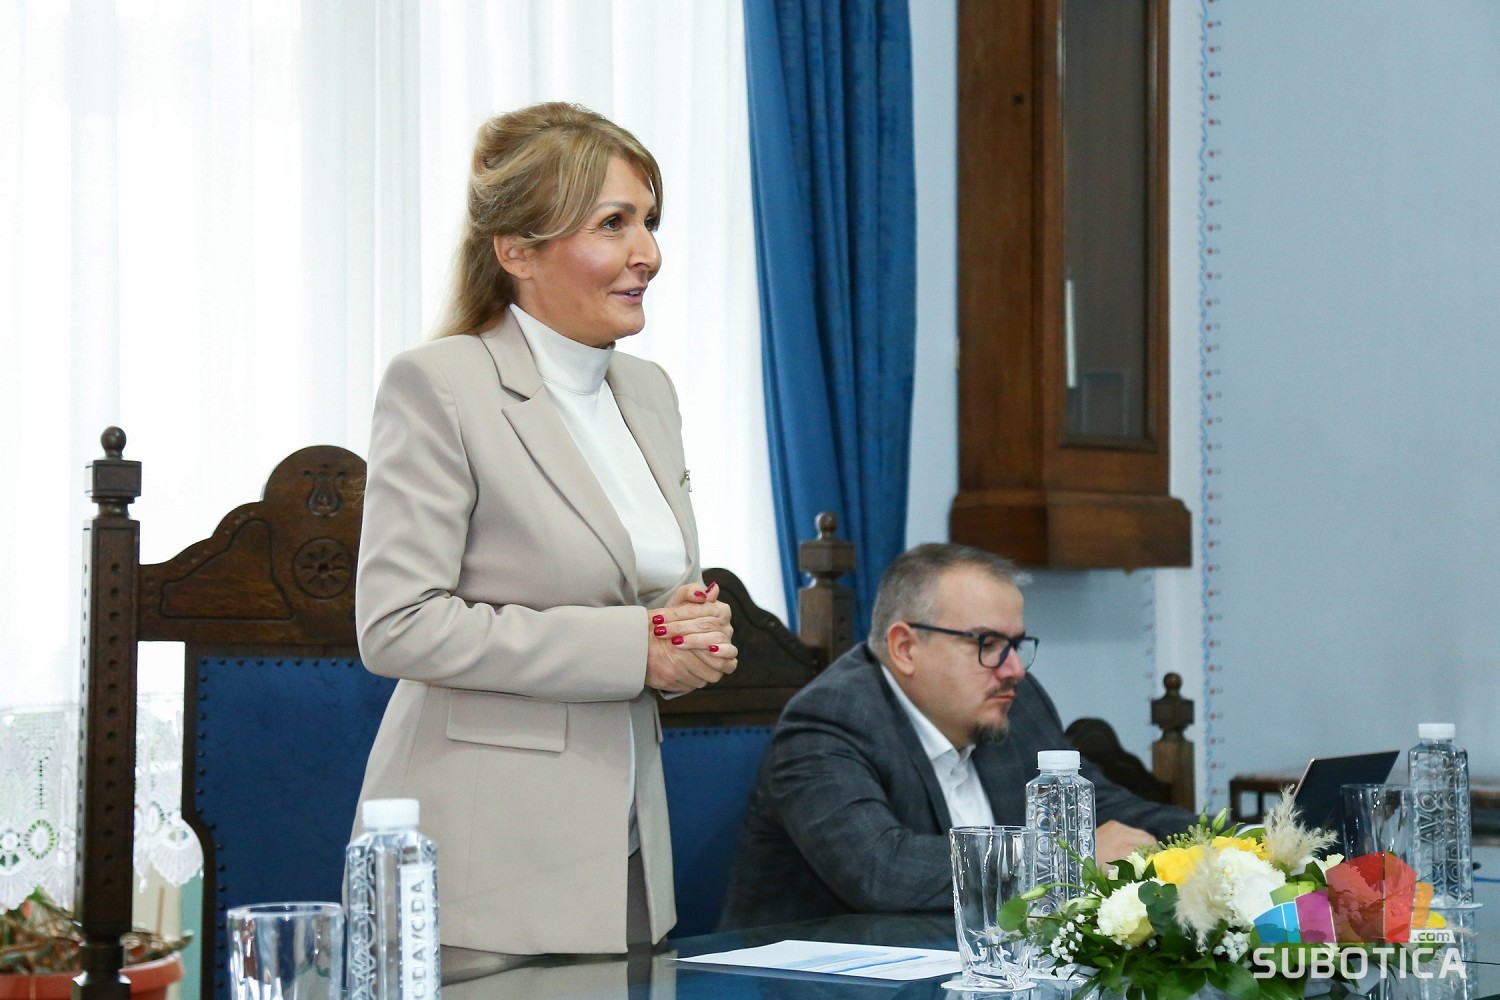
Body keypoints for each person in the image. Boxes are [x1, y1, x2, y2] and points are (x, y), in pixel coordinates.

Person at [353, 102, 738, 966]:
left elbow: (633, 597)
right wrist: (637, 647)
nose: (649, 252)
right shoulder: (440, 384)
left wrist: (689, 632)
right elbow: (397, 625)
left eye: (649, 221)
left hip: (629, 852)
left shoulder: (649, 393)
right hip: (485, 867)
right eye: (614, 223)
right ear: (516, 252)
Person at [719, 543, 1193, 930]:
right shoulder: (828, 721)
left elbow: (1101, 807)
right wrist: (1069, 858)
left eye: (1016, 644)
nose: (1013, 669)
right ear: (906, 647)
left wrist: (1223, 846)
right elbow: (882, 870)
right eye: (988, 644)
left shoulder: (1013, 702)